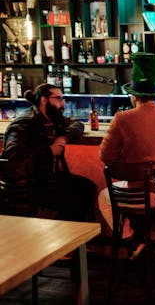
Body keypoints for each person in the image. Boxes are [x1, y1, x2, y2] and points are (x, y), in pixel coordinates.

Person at [99, 52, 155, 258]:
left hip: (133, 196)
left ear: (133, 95)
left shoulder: (122, 118)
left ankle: (133, 241)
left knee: (103, 196)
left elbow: (105, 156)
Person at [1, 83, 96, 221]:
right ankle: (64, 234)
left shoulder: (52, 118)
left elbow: (77, 124)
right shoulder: (25, 122)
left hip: (45, 178)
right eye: (58, 98)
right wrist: (48, 150)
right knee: (77, 196)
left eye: (63, 99)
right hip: (27, 185)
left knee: (87, 187)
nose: (62, 103)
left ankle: (73, 236)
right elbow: (13, 153)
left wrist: (64, 137)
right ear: (44, 100)